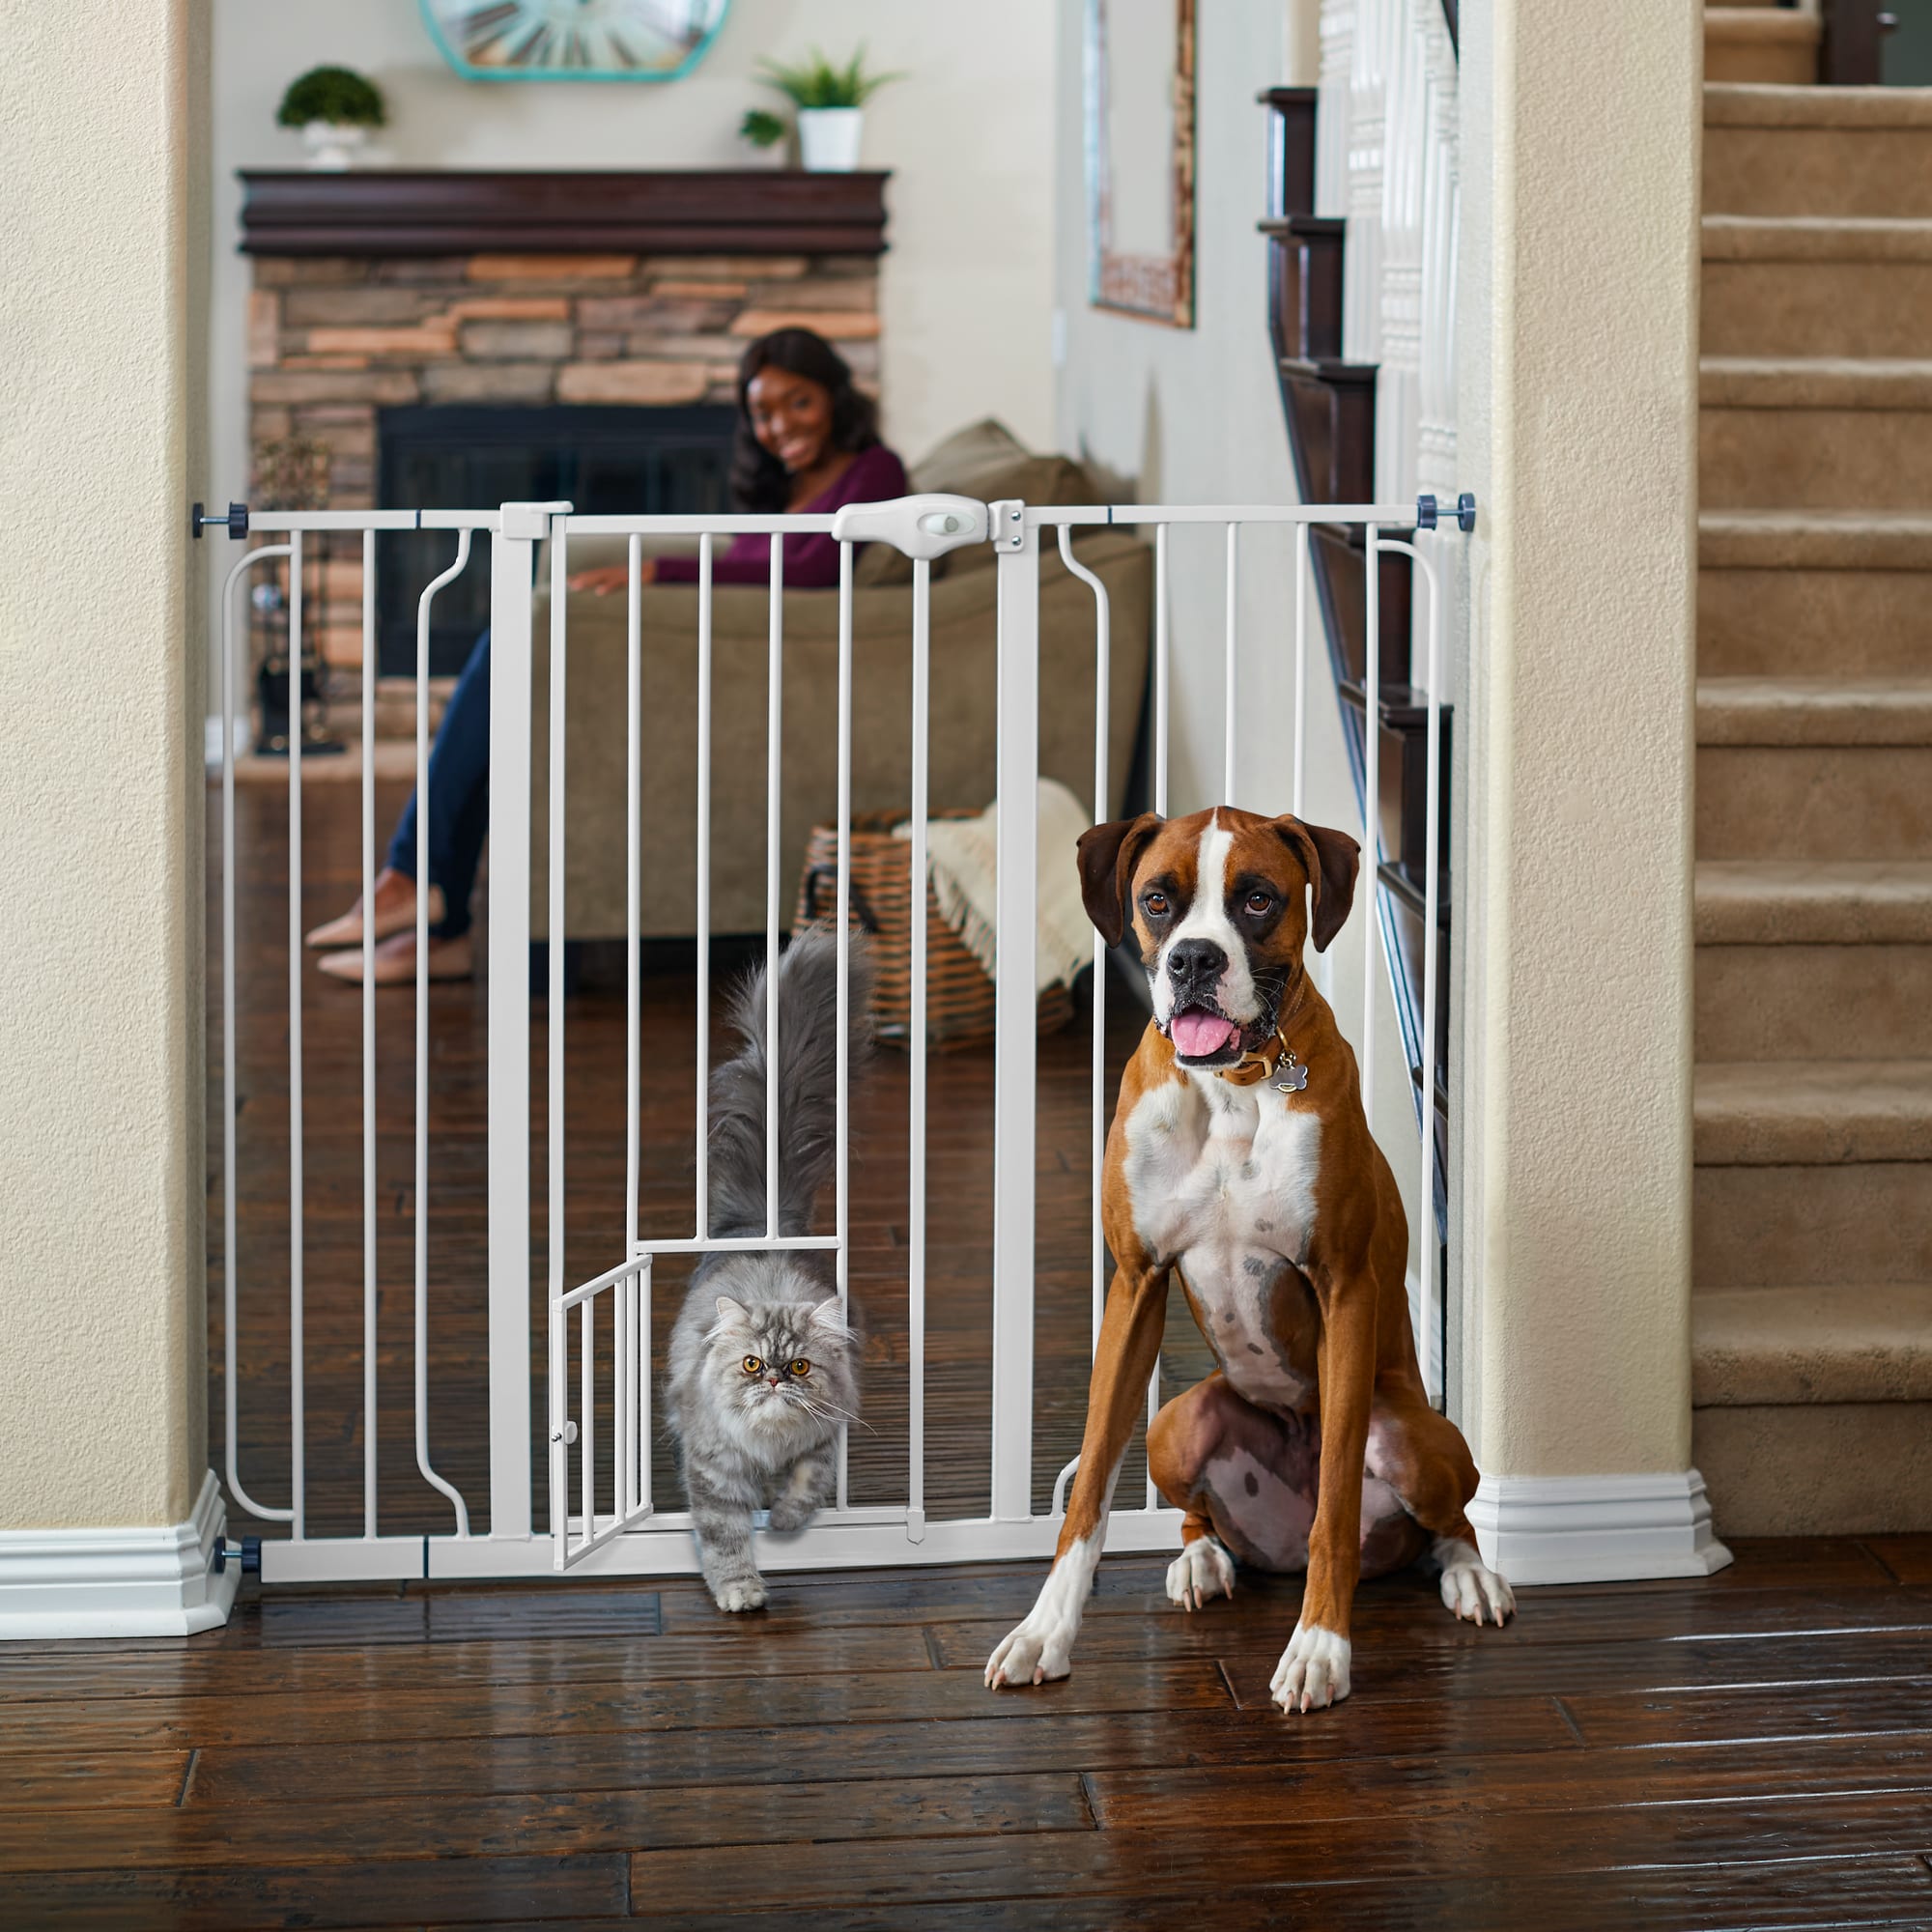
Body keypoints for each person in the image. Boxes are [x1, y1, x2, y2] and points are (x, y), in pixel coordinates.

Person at [307, 328, 909, 983]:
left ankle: (418, 885)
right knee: (511, 669)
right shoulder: (785, 485)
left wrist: (660, 571)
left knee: (513, 647)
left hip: (759, 677)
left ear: (835, 398)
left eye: (800, 403)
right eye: (762, 411)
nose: (779, 426)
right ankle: (438, 917)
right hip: (733, 653)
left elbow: (813, 569)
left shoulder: (874, 470)